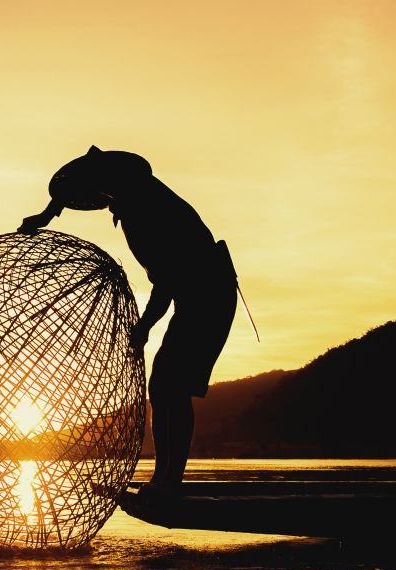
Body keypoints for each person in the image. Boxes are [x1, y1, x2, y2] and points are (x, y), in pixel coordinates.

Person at [19, 146, 237, 497]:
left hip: (208, 296)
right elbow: (70, 190)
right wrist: (47, 215)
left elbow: (166, 282)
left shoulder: (147, 210)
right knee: (163, 387)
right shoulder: (131, 198)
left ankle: (169, 481)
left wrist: (145, 327)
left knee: (172, 386)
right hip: (191, 298)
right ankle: (164, 479)